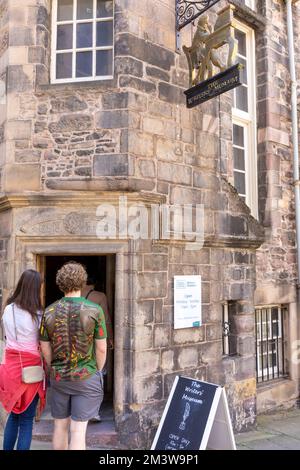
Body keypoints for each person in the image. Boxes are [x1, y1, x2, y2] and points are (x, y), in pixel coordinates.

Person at [39, 261, 107, 450]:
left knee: (60, 426)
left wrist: (56, 366)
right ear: (82, 282)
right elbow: (101, 349)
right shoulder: (94, 310)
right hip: (86, 375)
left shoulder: (49, 311)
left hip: (60, 377)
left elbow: (45, 348)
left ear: (60, 283)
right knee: (78, 431)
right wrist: (97, 371)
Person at [0, 269, 46, 451]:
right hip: (31, 371)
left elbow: (5, 338)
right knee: (27, 420)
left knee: (14, 415)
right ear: (35, 289)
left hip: (10, 368)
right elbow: (42, 344)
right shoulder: (38, 314)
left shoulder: (7, 309)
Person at [82, 275, 114, 423]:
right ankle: (93, 411)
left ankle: (79, 409)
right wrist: (111, 338)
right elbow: (105, 320)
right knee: (97, 374)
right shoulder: (100, 296)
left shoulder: (71, 295)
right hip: (95, 340)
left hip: (77, 341)